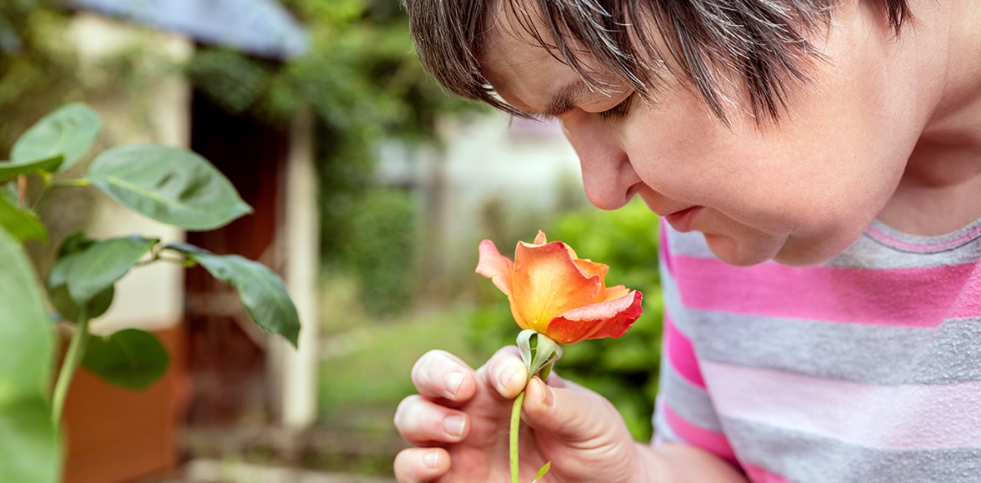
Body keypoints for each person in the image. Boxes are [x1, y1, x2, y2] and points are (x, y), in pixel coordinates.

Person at [392, 0, 981, 481]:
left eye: (611, 101)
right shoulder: (721, 232)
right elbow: (731, 464)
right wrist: (631, 477)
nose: (601, 190)